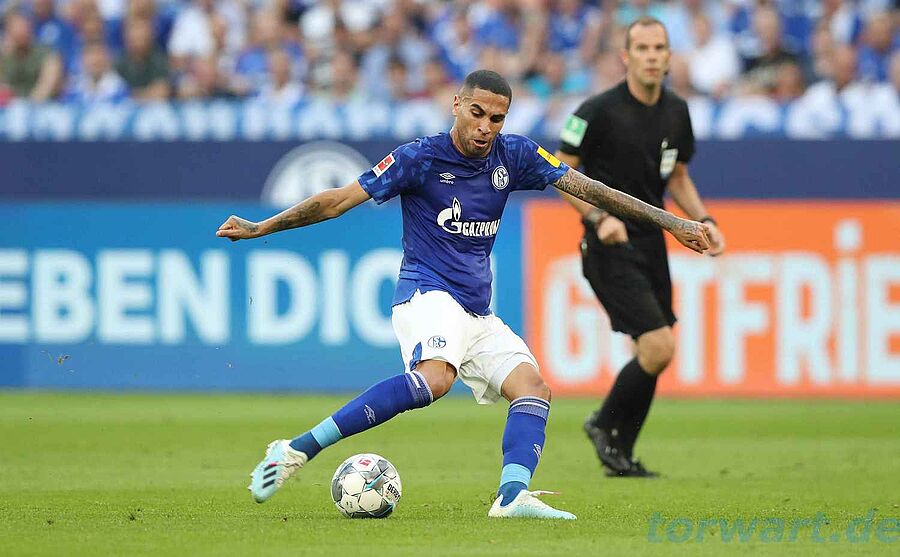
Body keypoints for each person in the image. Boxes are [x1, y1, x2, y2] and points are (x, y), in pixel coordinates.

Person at [216, 70, 710, 519]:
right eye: (477, 113)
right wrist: (263, 227)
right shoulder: (419, 158)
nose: (485, 127)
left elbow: (590, 189)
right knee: (435, 379)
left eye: (497, 118)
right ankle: (295, 450)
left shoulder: (515, 154)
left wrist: (673, 222)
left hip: (476, 311)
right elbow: (337, 200)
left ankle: (511, 496)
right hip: (426, 293)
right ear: (457, 105)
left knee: (533, 389)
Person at [554, 17, 726, 479]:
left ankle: (621, 451)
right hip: (608, 243)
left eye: (659, 48)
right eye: (643, 48)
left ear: (669, 57)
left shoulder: (677, 112)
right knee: (659, 346)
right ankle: (602, 423)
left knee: (651, 350)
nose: (652, 56)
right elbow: (559, 172)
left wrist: (705, 220)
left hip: (653, 242)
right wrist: (598, 216)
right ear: (625, 57)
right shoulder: (597, 111)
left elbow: (678, 177)